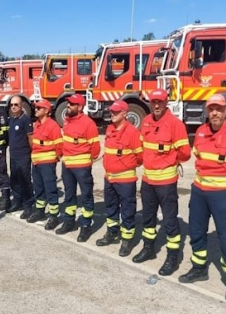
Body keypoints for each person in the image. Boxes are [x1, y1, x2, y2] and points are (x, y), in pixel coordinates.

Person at [178, 94, 226, 303]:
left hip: (223, 194)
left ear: (225, 111)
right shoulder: (202, 131)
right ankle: (199, 268)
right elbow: (198, 156)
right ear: (207, 110)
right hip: (199, 192)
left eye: (219, 109)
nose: (214, 112)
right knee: (196, 232)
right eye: (211, 108)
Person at [133, 89, 191, 277]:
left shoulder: (176, 125)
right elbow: (142, 147)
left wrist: (169, 160)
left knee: (169, 221)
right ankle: (148, 248)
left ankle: (172, 257)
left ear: (166, 102)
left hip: (166, 182)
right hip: (148, 181)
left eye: (160, 102)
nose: (156, 105)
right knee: (148, 218)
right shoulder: (147, 121)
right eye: (153, 102)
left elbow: (185, 153)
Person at [96, 100, 143, 256]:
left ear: (125, 113)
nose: (113, 114)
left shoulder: (132, 132)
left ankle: (127, 240)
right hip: (109, 178)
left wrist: (124, 166)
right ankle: (112, 233)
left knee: (127, 211)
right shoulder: (110, 129)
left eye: (116, 112)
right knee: (111, 208)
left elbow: (140, 157)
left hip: (125, 180)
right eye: (112, 111)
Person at [56, 94, 100, 242]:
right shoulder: (67, 121)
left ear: (80, 107)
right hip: (67, 166)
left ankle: (86, 226)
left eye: (72, 104)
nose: (68, 106)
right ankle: (69, 221)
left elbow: (95, 149)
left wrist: (85, 161)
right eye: (68, 103)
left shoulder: (88, 124)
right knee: (69, 195)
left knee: (86, 197)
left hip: (81, 168)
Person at [27, 99, 63, 229]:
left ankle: (54, 216)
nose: (35, 110)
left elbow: (59, 146)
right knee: (39, 189)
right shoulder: (36, 124)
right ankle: (40, 211)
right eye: (35, 108)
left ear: (46, 111)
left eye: (38, 108)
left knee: (50, 189)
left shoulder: (53, 126)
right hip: (36, 162)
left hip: (47, 163)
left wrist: (54, 159)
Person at [7, 95, 34, 218]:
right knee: (15, 180)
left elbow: (30, 139)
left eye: (16, 104)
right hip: (13, 155)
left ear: (21, 106)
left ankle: (28, 205)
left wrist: (30, 153)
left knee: (25, 181)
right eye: (12, 105)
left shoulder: (26, 120)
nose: (13, 107)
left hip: (23, 156)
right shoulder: (12, 119)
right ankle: (17, 201)